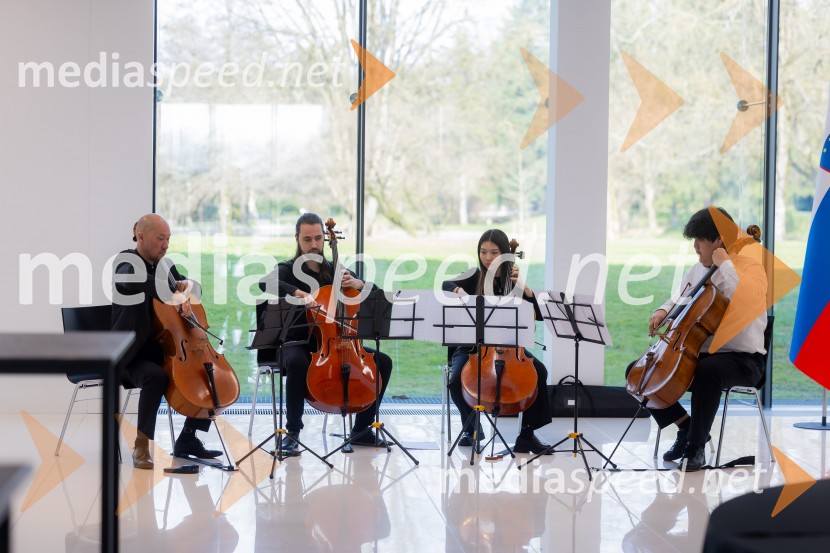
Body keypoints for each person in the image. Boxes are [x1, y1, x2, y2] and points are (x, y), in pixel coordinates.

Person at [630, 207, 767, 471]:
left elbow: (745, 298)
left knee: (708, 371)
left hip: (742, 359)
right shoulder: (698, 269)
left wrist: (724, 263)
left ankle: (695, 449)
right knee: (638, 373)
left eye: (699, 240)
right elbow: (679, 299)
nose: (695, 247)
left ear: (718, 240)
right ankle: (687, 428)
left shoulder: (752, 269)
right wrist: (662, 310)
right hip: (698, 353)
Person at [259, 212, 394, 453]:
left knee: (383, 362)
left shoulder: (337, 270)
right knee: (299, 363)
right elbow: (266, 282)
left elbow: (378, 295)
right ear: (297, 240)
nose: (313, 245)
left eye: (318, 239)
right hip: (296, 342)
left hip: (337, 343)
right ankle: (293, 432)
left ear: (325, 239)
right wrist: (299, 293)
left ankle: (362, 430)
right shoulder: (288, 269)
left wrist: (359, 284)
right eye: (307, 239)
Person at [111, 213, 222, 469]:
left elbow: (195, 289)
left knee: (205, 373)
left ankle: (188, 439)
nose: (166, 245)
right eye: (161, 238)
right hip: (131, 355)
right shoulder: (126, 262)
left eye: (168, 239)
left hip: (164, 351)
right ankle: (141, 446)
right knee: (156, 377)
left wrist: (187, 288)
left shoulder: (165, 265)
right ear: (141, 236)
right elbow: (132, 281)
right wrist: (173, 293)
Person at [441, 229, 552, 453]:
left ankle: (527, 434)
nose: (488, 257)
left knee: (539, 371)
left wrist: (525, 288)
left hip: (510, 349)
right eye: (483, 252)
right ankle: (472, 428)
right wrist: (460, 290)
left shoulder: (513, 279)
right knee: (455, 381)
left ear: (504, 253)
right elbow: (446, 284)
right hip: (473, 347)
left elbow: (539, 314)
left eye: (494, 252)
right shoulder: (473, 275)